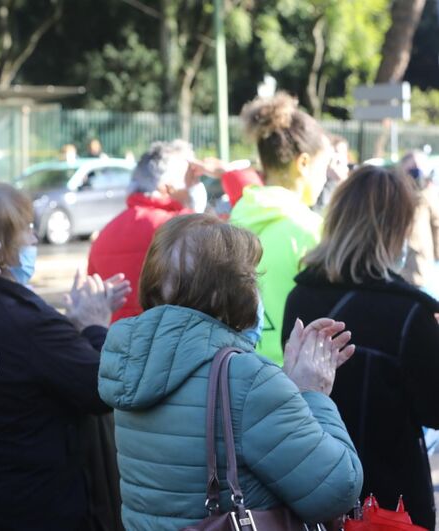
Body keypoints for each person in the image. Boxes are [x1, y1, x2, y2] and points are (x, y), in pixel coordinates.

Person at [98, 214, 363, 529]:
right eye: (250, 276)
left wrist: (283, 388)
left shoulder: (133, 361)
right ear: (225, 291)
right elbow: (338, 489)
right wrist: (312, 393)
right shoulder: (249, 380)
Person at [0, 181, 132, 531]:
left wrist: (69, 327)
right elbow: (104, 386)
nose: (34, 238)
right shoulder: (25, 321)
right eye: (26, 228)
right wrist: (94, 325)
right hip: (46, 502)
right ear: (3, 245)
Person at [283, 166, 439, 530]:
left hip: (314, 488)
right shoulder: (409, 312)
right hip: (390, 502)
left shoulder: (301, 295)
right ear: (395, 230)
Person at [230, 92, 331, 364]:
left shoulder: (234, 222)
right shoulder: (312, 230)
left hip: (235, 369)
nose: (325, 179)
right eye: (324, 168)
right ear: (304, 163)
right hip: (291, 376)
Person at [88, 141, 206, 321]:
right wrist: (196, 211)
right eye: (190, 178)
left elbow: (93, 297)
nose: (195, 185)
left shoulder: (106, 232)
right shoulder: (181, 227)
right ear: (166, 187)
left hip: (115, 335)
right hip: (168, 334)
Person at [399, 150, 439, 293]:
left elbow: (436, 225)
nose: (417, 170)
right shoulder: (393, 191)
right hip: (397, 269)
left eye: (421, 166)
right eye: (413, 166)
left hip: (420, 267)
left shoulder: (428, 195)